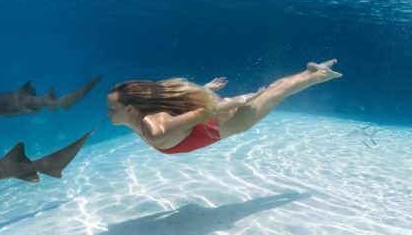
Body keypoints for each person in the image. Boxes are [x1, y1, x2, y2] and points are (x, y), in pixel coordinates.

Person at [107, 60, 342, 154]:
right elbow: (174, 104)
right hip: (212, 121)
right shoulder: (144, 115)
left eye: (112, 109)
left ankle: (321, 74)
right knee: (272, 91)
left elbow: (204, 112)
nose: (108, 114)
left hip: (220, 123)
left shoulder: (155, 130)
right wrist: (203, 90)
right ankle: (314, 71)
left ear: (130, 110)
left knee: (275, 93)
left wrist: (238, 100)